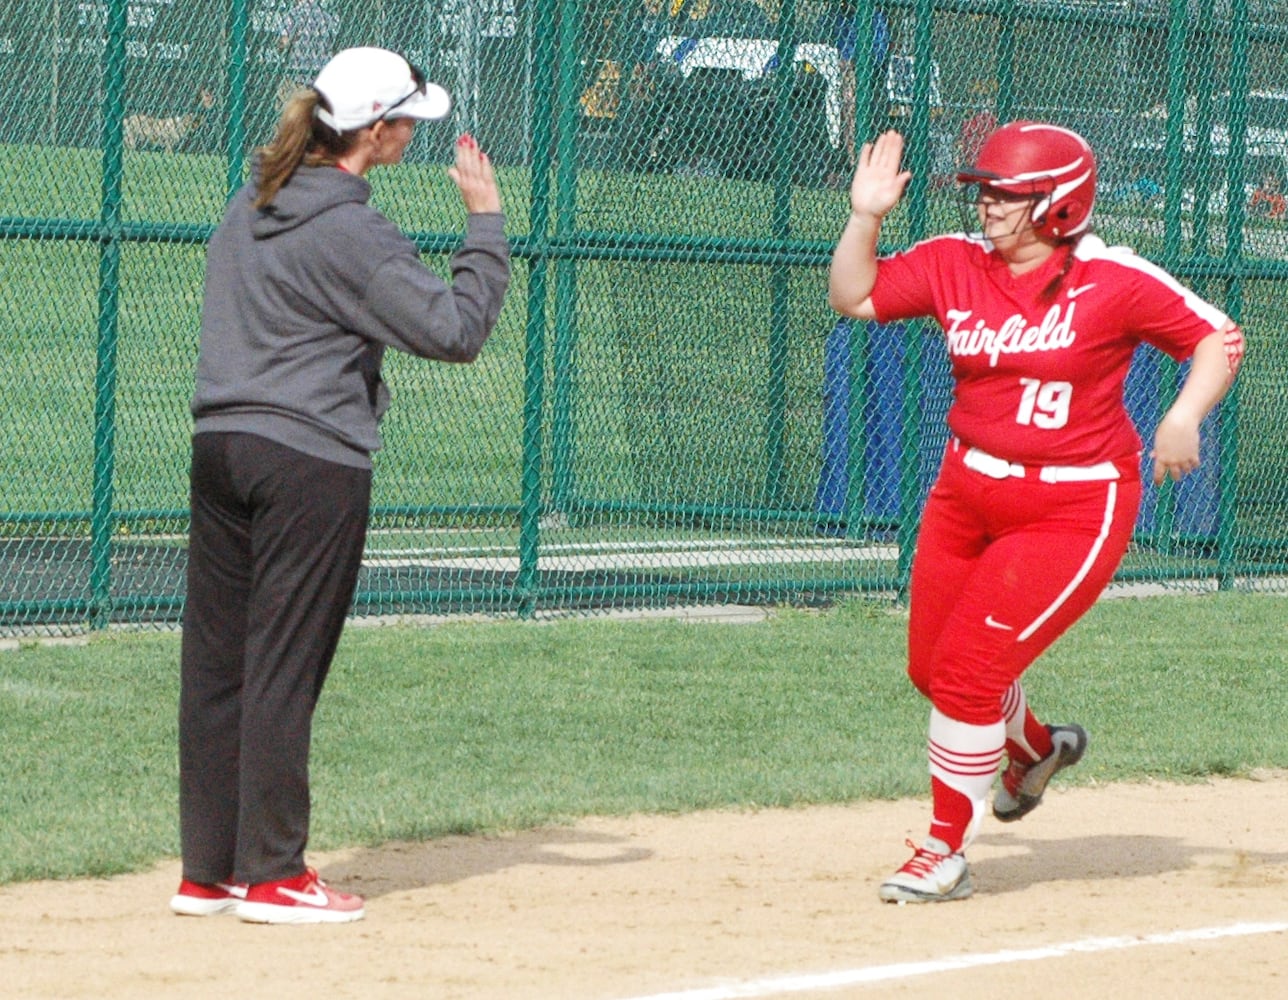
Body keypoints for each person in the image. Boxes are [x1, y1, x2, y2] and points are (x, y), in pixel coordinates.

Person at [828, 122, 1244, 903]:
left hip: (1074, 505)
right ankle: (1036, 752)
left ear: (1058, 205)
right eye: (985, 191)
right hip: (965, 492)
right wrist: (866, 215)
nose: (988, 206)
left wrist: (1183, 416)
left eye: (1009, 195)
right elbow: (854, 294)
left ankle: (944, 849)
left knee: (965, 672)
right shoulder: (957, 264)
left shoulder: (1110, 277)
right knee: (933, 668)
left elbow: (1217, 336)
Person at [170, 46, 510, 924]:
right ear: (375, 131)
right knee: (281, 668)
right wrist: (485, 224)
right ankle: (276, 875)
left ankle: (210, 871)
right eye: (404, 119)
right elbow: (455, 329)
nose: (409, 132)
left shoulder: (249, 207)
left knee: (217, 667)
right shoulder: (352, 227)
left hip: (221, 447)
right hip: (307, 462)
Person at [277, 0, 340, 104]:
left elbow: (284, 43)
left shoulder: (292, 15)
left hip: (297, 74)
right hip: (321, 75)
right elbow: (333, 47)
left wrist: (279, 46)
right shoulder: (327, 17)